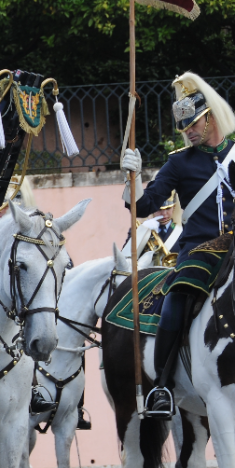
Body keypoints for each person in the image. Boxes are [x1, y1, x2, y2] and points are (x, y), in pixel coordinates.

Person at [121, 72, 235, 418]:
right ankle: (163, 386)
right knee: (177, 293)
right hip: (200, 250)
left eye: (193, 123)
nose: (187, 131)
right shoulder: (178, 162)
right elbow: (142, 207)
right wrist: (134, 179)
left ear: (210, 117)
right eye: (183, 126)